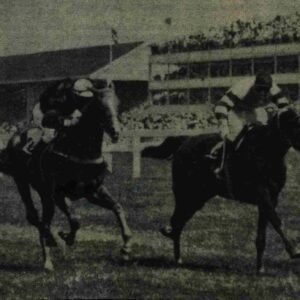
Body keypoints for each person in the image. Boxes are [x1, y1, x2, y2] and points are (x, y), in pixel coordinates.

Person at [208, 71, 289, 177]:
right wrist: (223, 126)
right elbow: (220, 107)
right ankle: (221, 163)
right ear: (254, 85)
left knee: (266, 135)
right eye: (259, 89)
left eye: (265, 90)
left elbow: (284, 108)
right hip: (236, 110)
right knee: (234, 136)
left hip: (255, 109)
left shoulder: (274, 89)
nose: (262, 93)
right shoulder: (242, 88)